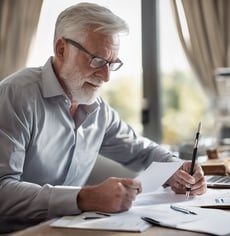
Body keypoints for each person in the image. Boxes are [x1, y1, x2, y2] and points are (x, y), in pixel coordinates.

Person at [0, 2, 206, 231]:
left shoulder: (98, 110)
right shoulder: (15, 95)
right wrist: (84, 198)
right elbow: (2, 190)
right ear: (61, 49)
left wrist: (178, 168)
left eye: (112, 63)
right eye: (97, 60)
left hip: (67, 227)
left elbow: (142, 151)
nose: (106, 77)